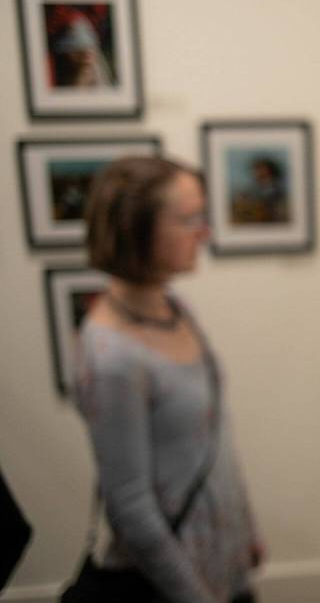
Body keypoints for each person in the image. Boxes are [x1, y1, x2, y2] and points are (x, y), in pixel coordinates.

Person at [73, 156, 263, 602]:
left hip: (221, 567)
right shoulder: (110, 357)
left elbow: (213, 435)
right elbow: (131, 508)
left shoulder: (174, 308)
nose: (205, 232)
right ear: (137, 230)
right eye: (189, 219)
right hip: (172, 585)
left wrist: (245, 529)